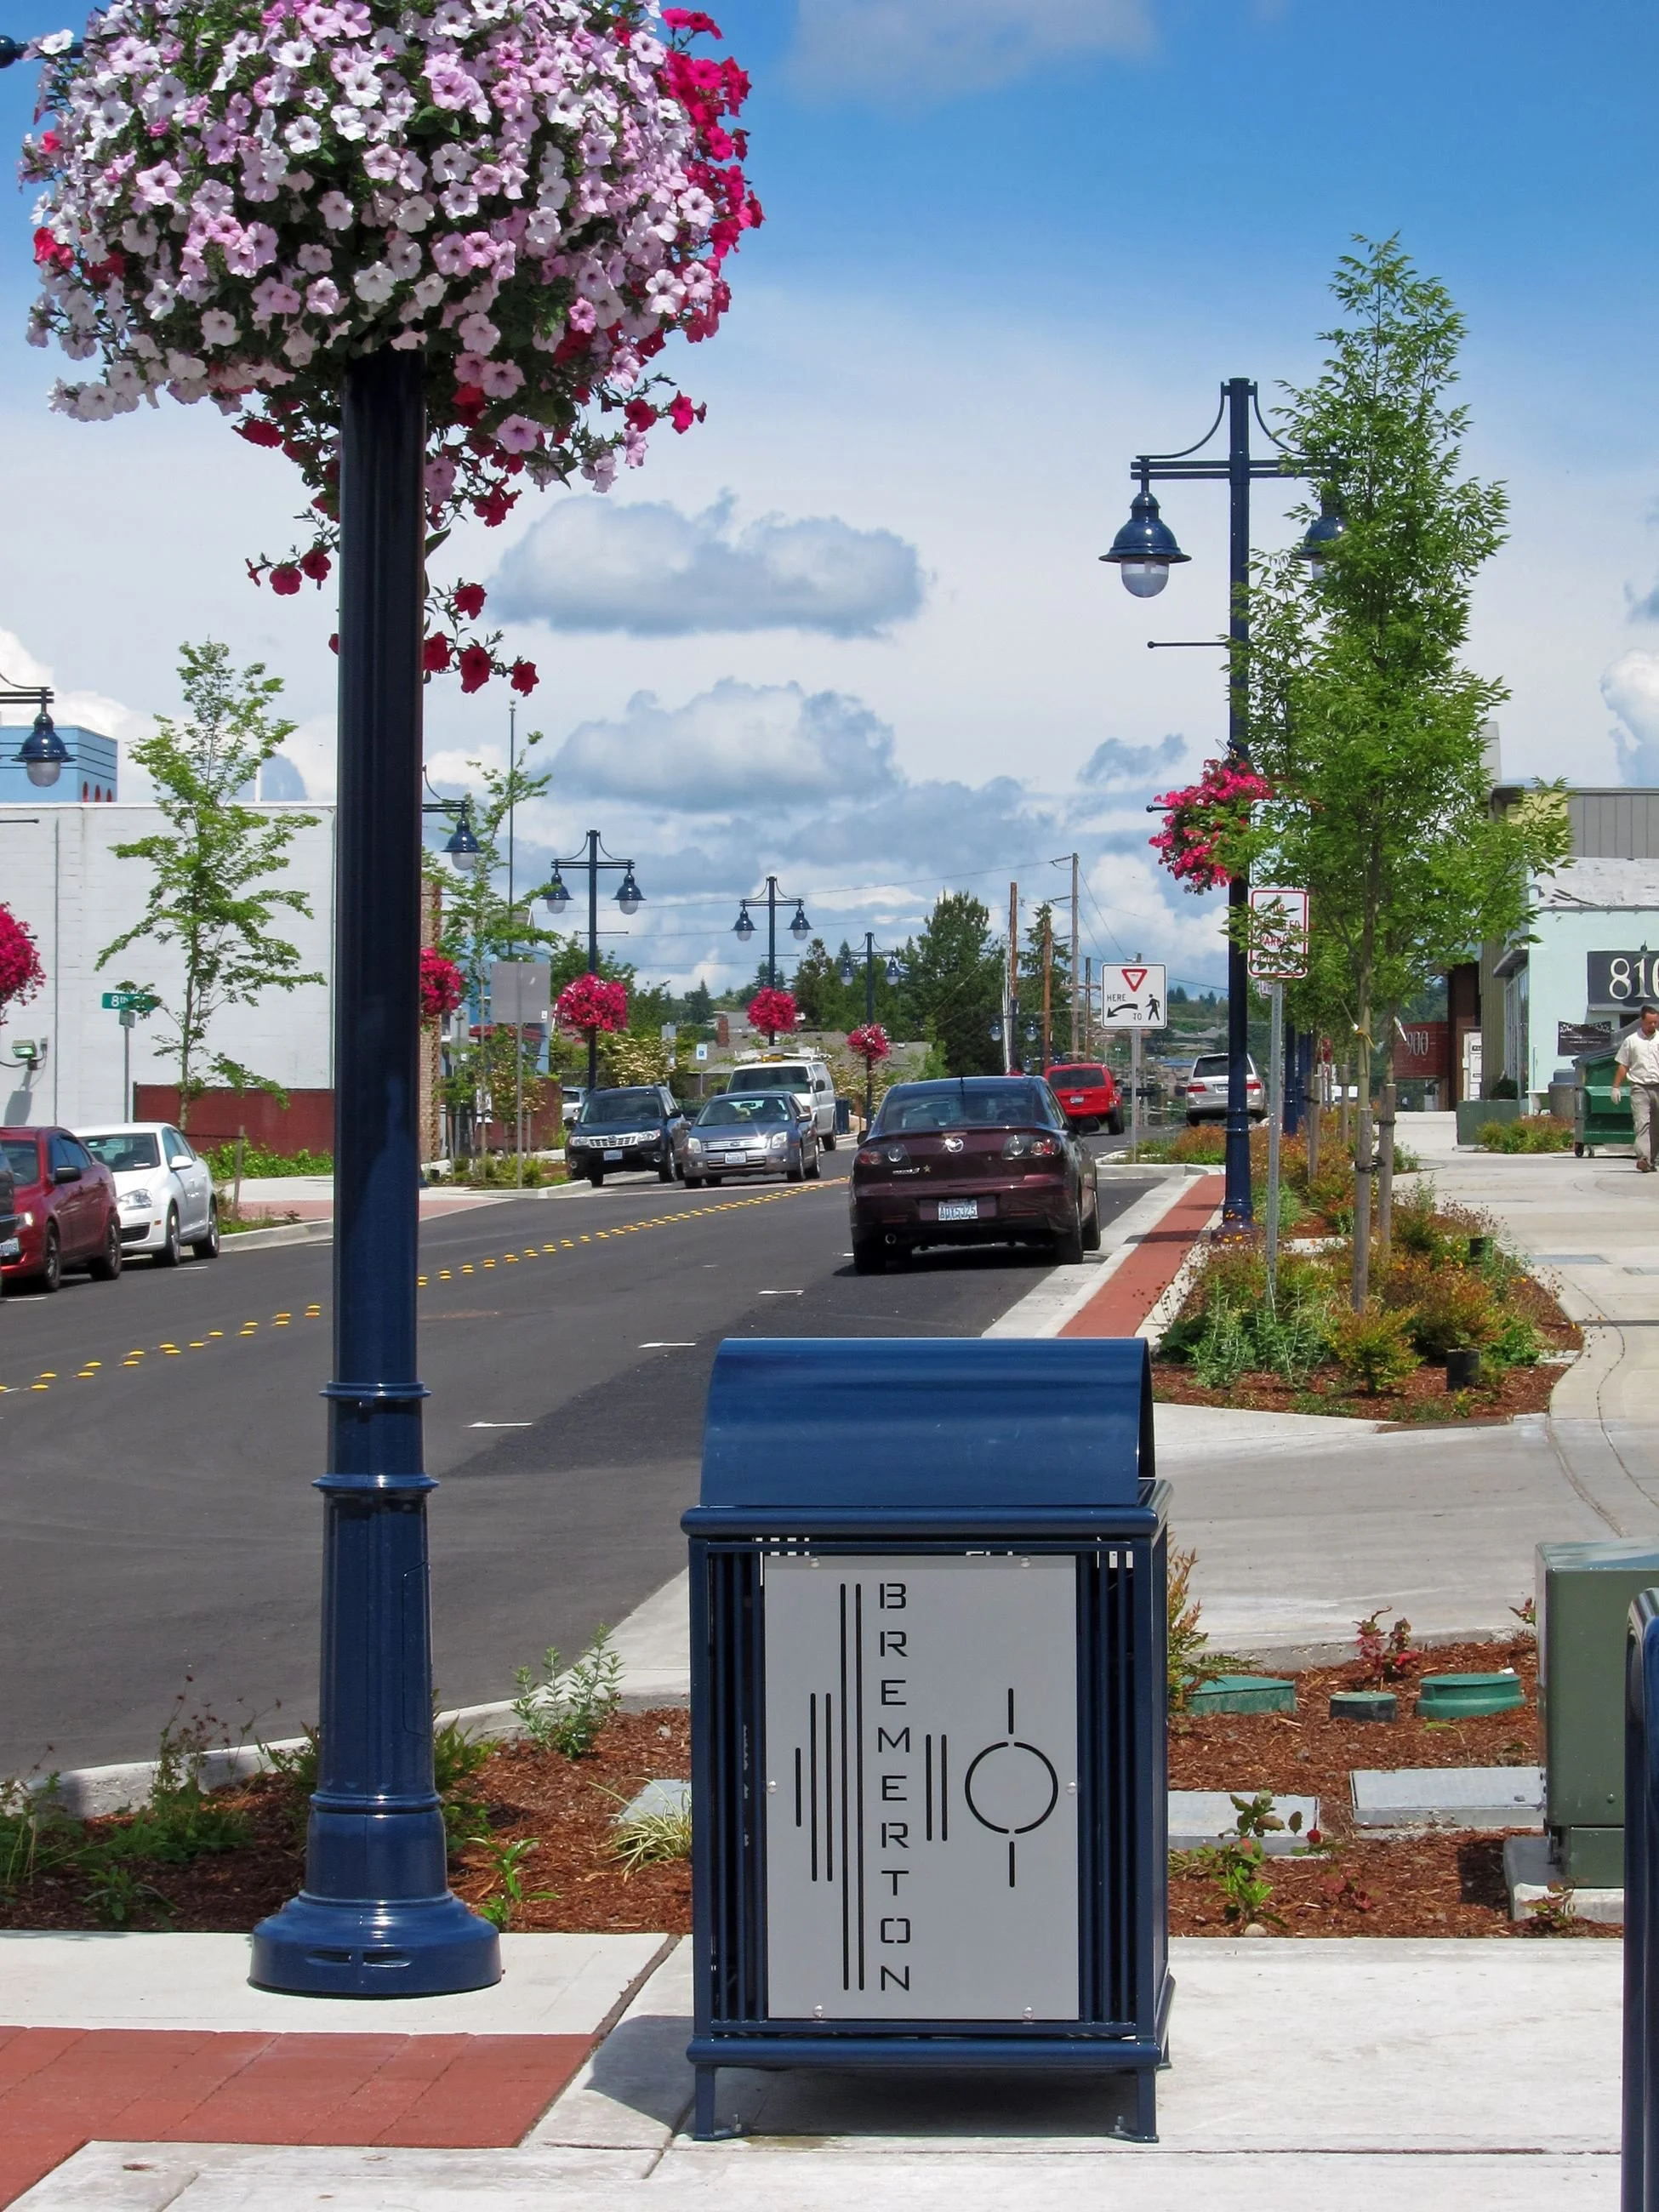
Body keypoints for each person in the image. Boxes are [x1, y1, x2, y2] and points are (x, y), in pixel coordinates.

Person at [1611, 1004, 1659, 1171]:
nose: (1653, 1026)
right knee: (1642, 1123)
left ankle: (1652, 1159)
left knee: (1656, 1125)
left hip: (1658, 1086)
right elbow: (1623, 1065)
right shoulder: (1631, 1041)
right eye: (1650, 1023)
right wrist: (1615, 1087)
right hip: (1640, 1087)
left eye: (1656, 1023)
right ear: (1642, 1021)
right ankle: (1644, 1159)